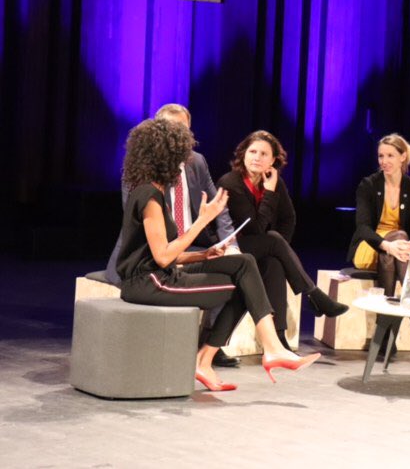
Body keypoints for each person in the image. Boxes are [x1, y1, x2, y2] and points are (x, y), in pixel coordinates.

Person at [116, 118, 320, 391]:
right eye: (180, 156)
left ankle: (261, 350)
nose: (184, 163)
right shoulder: (149, 196)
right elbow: (163, 258)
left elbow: (162, 256)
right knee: (245, 286)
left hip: (159, 274)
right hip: (150, 283)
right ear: (165, 157)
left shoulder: (156, 191)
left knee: (243, 264)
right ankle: (224, 356)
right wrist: (203, 220)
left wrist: (205, 255)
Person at [105, 104, 241, 368]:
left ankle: (211, 345)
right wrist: (198, 225)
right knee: (236, 285)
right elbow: (150, 237)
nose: (181, 139)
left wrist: (227, 244)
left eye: (185, 132)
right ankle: (195, 353)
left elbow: (218, 207)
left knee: (241, 265)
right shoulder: (142, 176)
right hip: (149, 257)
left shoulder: (196, 161)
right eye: (174, 131)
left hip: (188, 245)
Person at [217, 130, 348, 349]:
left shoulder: (274, 181)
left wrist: (279, 251)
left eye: (264, 154)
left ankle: (279, 340)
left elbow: (289, 218)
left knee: (275, 264)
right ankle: (314, 295)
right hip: (231, 248)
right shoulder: (231, 183)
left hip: (259, 247)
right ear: (243, 154)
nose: (257, 157)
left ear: (273, 160)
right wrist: (269, 194)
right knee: (272, 239)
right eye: (252, 152)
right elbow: (254, 228)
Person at [347, 134, 410, 297]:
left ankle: (386, 307)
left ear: (402, 157)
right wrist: (388, 245)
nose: (384, 161)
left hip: (399, 250)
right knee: (399, 237)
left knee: (397, 244)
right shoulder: (368, 185)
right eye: (381, 156)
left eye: (390, 155)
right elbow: (363, 228)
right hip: (371, 245)